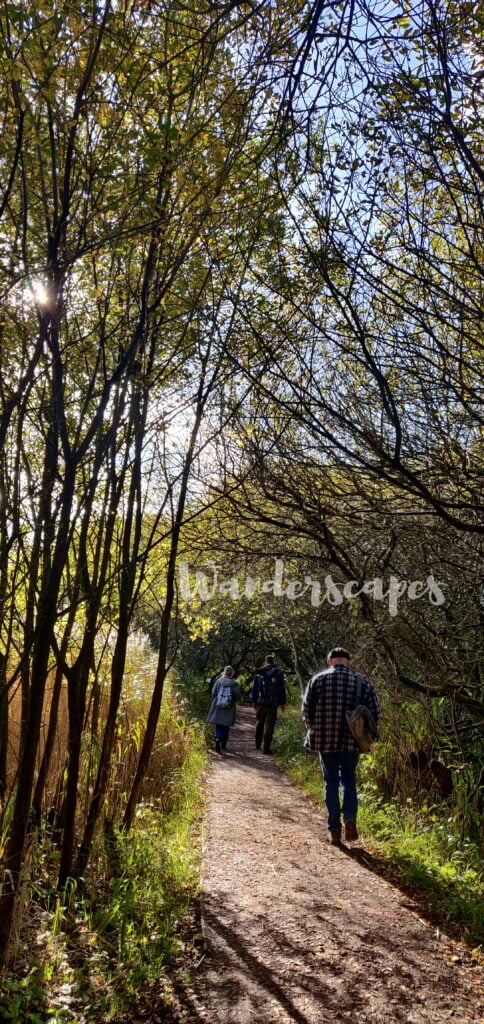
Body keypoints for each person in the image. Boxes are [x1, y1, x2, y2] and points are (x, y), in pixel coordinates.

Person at [302, 647, 380, 844]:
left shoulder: (318, 680)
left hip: (324, 740)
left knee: (330, 782)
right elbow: (375, 712)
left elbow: (306, 710)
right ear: (348, 662)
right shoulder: (362, 681)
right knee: (348, 779)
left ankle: (334, 829)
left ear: (330, 661)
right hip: (352, 741)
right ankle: (350, 819)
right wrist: (367, 735)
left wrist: (314, 729)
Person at [252, 655, 286, 754]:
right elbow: (281, 688)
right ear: (273, 662)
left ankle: (258, 744)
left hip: (261, 702)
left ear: (265, 662)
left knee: (259, 723)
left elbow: (255, 688)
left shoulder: (259, 673)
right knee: (269, 725)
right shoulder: (278, 673)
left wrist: (254, 701)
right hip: (273, 703)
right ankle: (266, 748)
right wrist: (282, 702)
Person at [207, 666, 241, 754]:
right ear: (232, 673)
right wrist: (232, 700)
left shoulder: (219, 681)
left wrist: (218, 699)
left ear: (224, 671)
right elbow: (237, 696)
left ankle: (217, 738)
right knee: (226, 725)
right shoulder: (234, 683)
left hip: (218, 705)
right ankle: (223, 744)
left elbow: (213, 693)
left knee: (218, 725)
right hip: (229, 707)